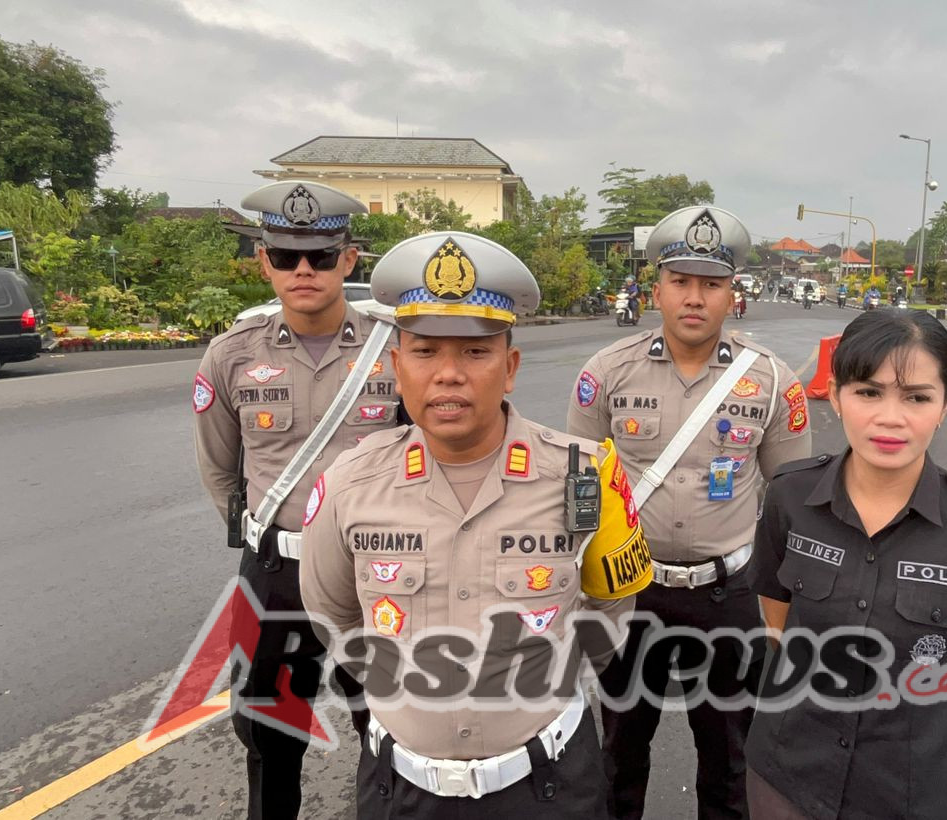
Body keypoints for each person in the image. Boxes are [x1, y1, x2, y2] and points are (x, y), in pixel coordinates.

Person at [299, 231, 653, 818]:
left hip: (549, 786)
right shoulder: (348, 483)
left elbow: (612, 609)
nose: (448, 374)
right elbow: (333, 615)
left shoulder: (585, 475)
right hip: (401, 789)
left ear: (510, 366)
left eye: (474, 351)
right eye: (425, 351)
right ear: (395, 367)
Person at [744, 309, 947, 819]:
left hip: (917, 790)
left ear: (945, 404)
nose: (890, 417)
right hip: (788, 773)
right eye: (868, 392)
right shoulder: (790, 495)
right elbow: (777, 611)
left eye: (916, 397)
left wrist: (923, 722)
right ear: (836, 394)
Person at [567, 205, 813, 820]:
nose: (694, 297)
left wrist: (788, 613)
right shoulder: (605, 373)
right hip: (631, 593)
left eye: (711, 283)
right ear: (658, 290)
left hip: (727, 594)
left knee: (729, 758)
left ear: (734, 293)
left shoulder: (772, 382)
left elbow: (789, 504)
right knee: (620, 749)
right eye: (681, 281)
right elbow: (578, 495)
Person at [193, 180, 402, 819]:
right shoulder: (231, 355)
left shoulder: (396, 349)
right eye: (285, 256)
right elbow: (220, 472)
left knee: (389, 729)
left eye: (319, 256)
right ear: (264, 261)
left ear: (350, 259)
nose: (302, 270)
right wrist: (272, 536)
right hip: (277, 573)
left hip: (376, 571)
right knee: (270, 736)